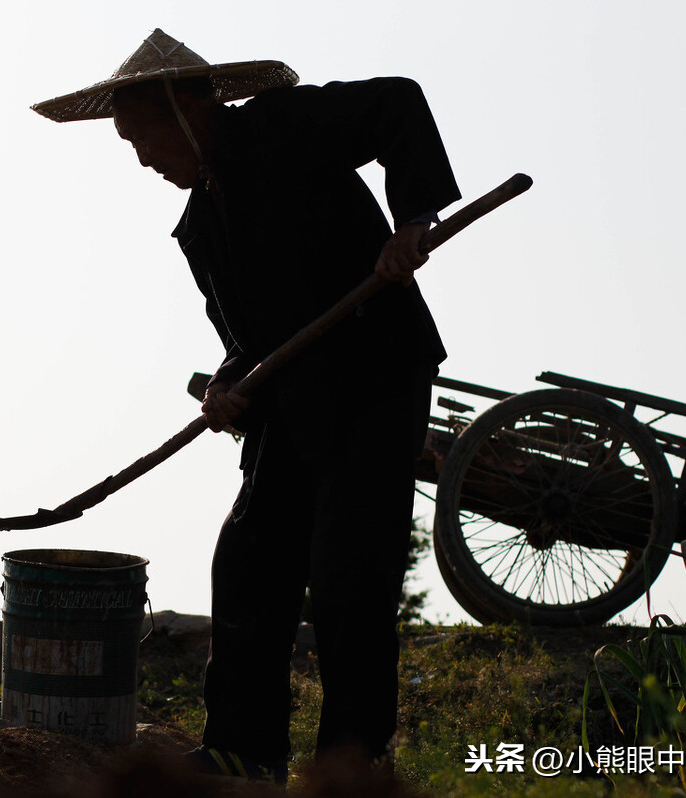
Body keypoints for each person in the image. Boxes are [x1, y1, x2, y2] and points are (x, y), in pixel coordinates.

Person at [33, 29, 460, 783]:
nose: (142, 158)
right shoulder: (202, 222)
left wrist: (412, 226)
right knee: (249, 563)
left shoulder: (278, 125)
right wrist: (227, 388)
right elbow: (248, 336)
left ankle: (350, 767)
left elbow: (398, 103)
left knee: (348, 580)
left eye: (144, 138)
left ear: (188, 106)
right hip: (290, 396)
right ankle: (243, 750)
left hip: (372, 374)